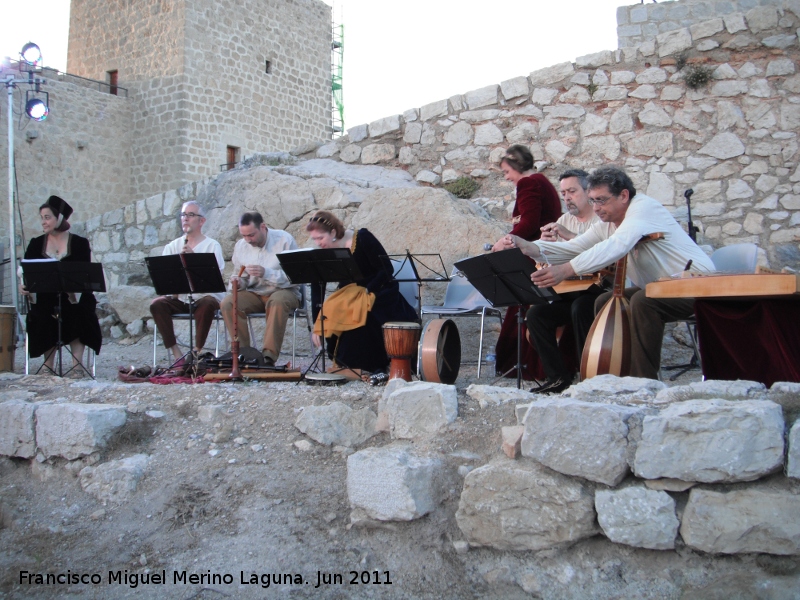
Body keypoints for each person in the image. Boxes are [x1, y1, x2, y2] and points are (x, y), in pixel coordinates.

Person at [510, 166, 715, 381]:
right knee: (605, 301)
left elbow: (618, 245)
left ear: (624, 195)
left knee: (643, 301)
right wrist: (530, 247)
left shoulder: (643, 208)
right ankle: (606, 375)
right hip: (661, 286)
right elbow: (575, 247)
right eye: (593, 201)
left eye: (602, 200)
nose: (596, 208)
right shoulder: (608, 223)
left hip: (695, 283)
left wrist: (566, 269)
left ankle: (644, 381)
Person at [306, 210, 417, 378]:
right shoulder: (325, 251)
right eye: (314, 239)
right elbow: (317, 283)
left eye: (320, 238)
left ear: (333, 232)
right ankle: (348, 366)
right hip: (351, 295)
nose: (318, 243)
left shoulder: (363, 237)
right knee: (335, 308)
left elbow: (386, 268)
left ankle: (371, 366)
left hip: (379, 290)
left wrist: (367, 290)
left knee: (365, 319)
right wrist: (318, 323)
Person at [525, 169, 603, 393]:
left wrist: (568, 235)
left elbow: (602, 253)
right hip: (569, 289)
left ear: (588, 192)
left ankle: (589, 376)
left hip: (598, 289)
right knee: (536, 314)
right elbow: (552, 259)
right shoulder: (564, 219)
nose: (567, 197)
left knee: (581, 307)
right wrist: (544, 247)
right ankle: (558, 377)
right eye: (563, 193)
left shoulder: (601, 217)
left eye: (572, 191)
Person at [490, 145, 562, 381]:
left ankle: (527, 366)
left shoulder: (528, 183)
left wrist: (505, 241)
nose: (507, 177)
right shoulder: (543, 182)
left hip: (534, 253)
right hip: (544, 251)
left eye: (506, 171)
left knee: (523, 305)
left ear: (516, 166)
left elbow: (529, 223)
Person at [20, 195, 102, 375]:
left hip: (73, 295)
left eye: (47, 217)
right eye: (41, 218)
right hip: (46, 296)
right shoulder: (36, 244)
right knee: (42, 311)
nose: (43, 222)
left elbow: (83, 274)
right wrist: (24, 285)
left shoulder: (80, 243)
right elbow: (25, 272)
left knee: (80, 309)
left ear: (60, 218)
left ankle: (76, 366)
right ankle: (48, 366)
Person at [220, 212, 300, 367]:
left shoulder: (284, 240)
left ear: (263, 227)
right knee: (227, 303)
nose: (248, 240)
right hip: (254, 293)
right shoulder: (241, 246)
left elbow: (295, 277)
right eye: (244, 236)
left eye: (251, 235)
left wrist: (266, 273)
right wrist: (238, 282)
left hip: (284, 291)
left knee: (277, 301)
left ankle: (268, 358)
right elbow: (240, 276)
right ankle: (243, 355)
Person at [149, 201, 224, 365]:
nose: (185, 219)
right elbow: (166, 281)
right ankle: (177, 355)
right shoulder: (172, 246)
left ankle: (196, 351)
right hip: (181, 298)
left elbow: (215, 279)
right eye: (183, 215)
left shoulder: (212, 245)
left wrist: (193, 259)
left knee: (208, 303)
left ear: (201, 221)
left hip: (204, 297)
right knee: (157, 304)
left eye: (191, 215)